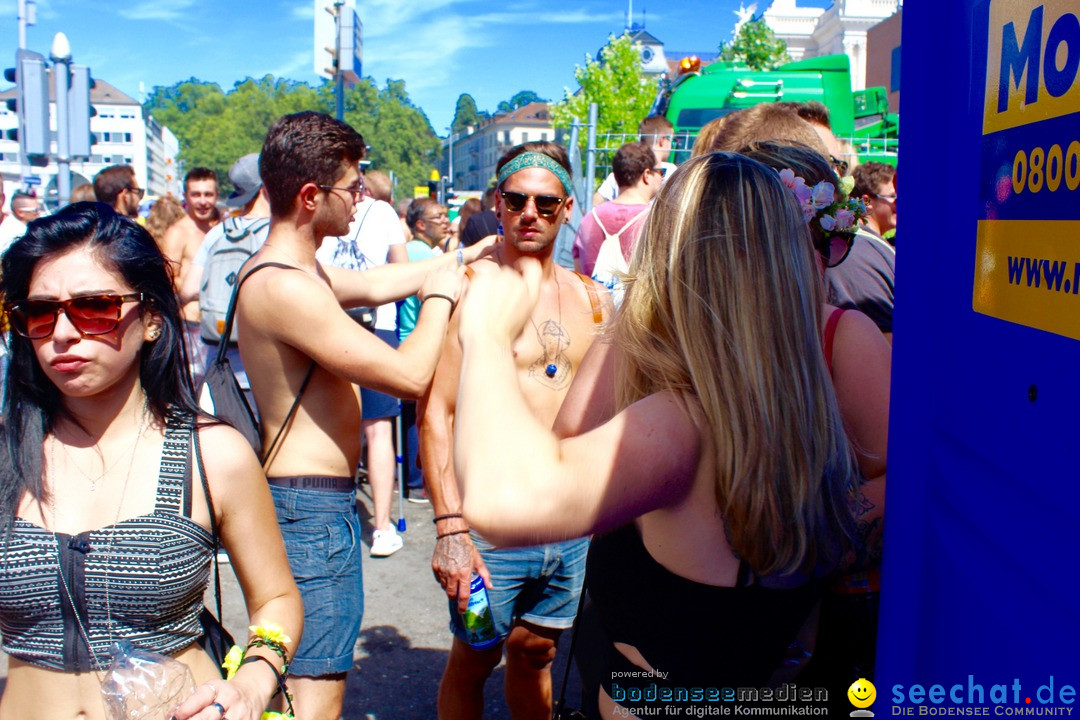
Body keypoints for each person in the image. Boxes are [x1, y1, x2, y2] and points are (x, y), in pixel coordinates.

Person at [452, 152, 859, 716]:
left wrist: (487, 332)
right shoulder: (801, 410)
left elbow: (503, 499)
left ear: (671, 259)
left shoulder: (684, 422)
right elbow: (573, 436)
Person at [0, 202, 302, 720]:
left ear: (153, 322)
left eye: (95, 307)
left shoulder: (211, 454)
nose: (64, 334)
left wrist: (253, 683)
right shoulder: (6, 455)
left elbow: (276, 598)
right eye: (42, 313)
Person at [236, 111, 489, 720]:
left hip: (310, 503)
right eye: (352, 189)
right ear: (309, 196)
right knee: (315, 691)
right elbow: (408, 376)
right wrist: (439, 297)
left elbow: (375, 283)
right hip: (309, 508)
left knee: (306, 680)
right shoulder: (286, 286)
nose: (362, 201)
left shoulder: (296, 270)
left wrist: (454, 258)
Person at [421, 141, 607, 720]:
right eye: (516, 199)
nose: (530, 213)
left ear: (568, 207)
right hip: (488, 532)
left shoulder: (593, 299)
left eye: (546, 203)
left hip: (569, 527)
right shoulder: (470, 289)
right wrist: (450, 526)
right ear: (497, 205)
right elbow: (436, 414)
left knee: (538, 652)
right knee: (474, 657)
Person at [315, 169, 410, 558]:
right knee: (379, 428)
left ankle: (337, 517)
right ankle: (383, 527)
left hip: (332, 321)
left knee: (337, 423)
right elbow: (401, 267)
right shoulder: (384, 212)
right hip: (378, 325)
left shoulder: (322, 210)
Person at [161, 168, 220, 384]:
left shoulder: (223, 228)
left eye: (208, 194)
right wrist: (199, 288)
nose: (203, 201)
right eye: (196, 194)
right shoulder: (178, 232)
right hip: (189, 327)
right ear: (186, 197)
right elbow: (167, 277)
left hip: (220, 327)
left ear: (217, 196)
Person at [826, 161, 897, 339]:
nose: (899, 204)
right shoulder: (857, 251)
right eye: (893, 198)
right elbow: (886, 340)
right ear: (867, 201)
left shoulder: (872, 244)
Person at [572, 141, 661, 278]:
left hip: (594, 298)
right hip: (638, 300)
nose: (662, 177)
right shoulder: (655, 221)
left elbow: (578, 274)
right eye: (661, 172)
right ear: (647, 175)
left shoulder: (589, 219)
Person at [592, 115, 676, 206]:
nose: (672, 146)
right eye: (672, 141)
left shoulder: (621, 170)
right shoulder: (672, 172)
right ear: (662, 140)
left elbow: (594, 203)